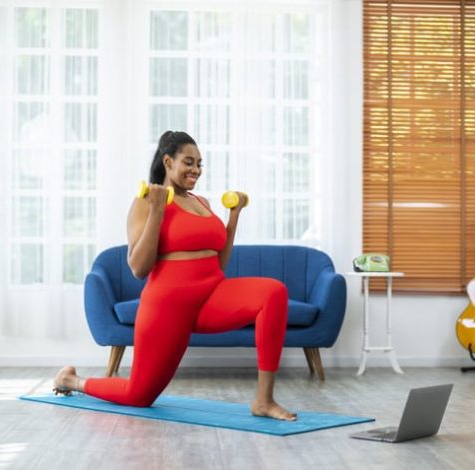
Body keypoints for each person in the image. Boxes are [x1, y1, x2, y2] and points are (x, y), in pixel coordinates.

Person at [53, 130, 296, 421]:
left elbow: (219, 263)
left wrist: (233, 216)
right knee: (138, 396)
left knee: (273, 292)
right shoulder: (145, 201)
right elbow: (138, 268)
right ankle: (71, 381)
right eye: (188, 162)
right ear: (168, 161)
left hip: (211, 294)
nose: (196, 170)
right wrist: (158, 209)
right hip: (167, 307)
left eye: (200, 164)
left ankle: (263, 400)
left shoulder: (202, 202)